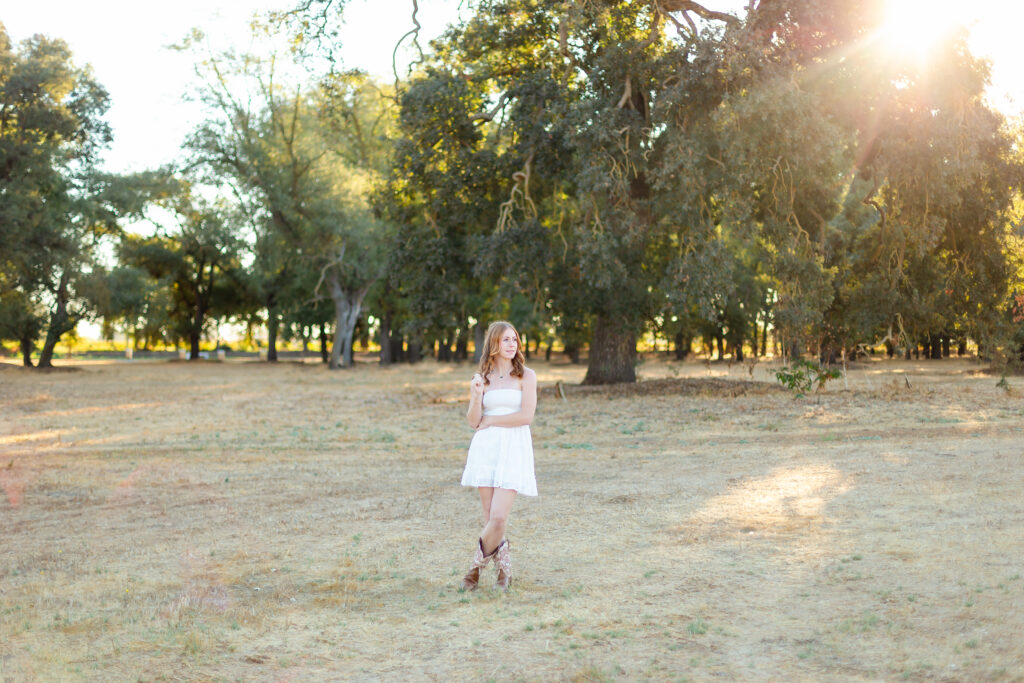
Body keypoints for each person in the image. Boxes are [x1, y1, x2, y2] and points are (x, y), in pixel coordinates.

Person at [459, 320, 538, 591]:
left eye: (514, 339)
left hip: (514, 447)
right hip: (486, 448)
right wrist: (475, 395)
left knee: (499, 517)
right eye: (506, 340)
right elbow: (474, 421)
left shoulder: (527, 375)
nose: (512, 344)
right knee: (490, 519)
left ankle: (473, 570)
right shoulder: (484, 376)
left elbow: (526, 416)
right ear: (493, 343)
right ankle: (504, 572)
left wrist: (492, 421)